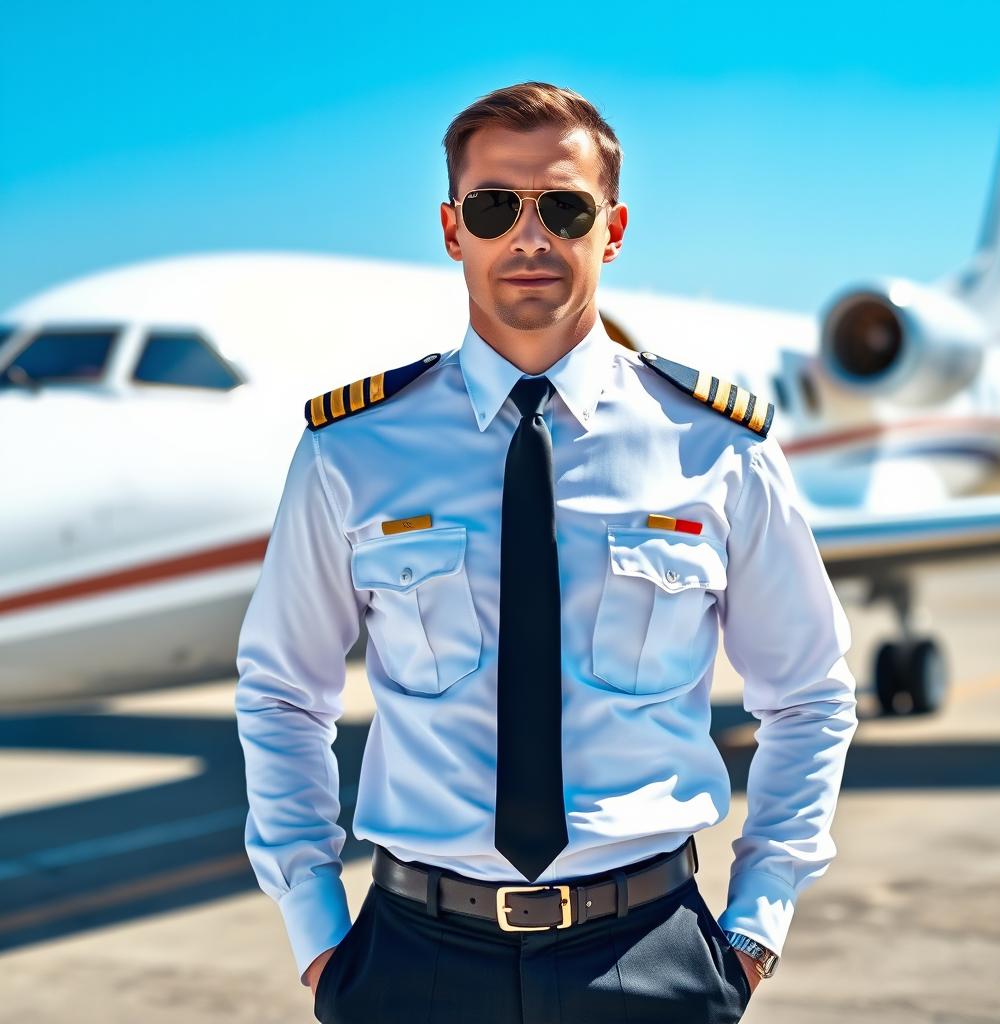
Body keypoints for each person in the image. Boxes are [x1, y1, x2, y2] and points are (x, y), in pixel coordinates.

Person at [234, 80, 859, 1023]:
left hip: (649, 957)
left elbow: (809, 693)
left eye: (563, 207)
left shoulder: (719, 447)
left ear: (611, 230)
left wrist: (755, 927)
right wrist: (318, 934)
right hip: (414, 960)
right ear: (453, 230)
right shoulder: (350, 451)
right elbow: (282, 693)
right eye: (494, 208)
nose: (529, 238)